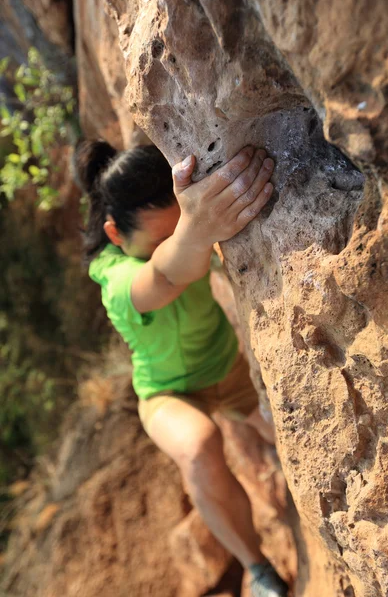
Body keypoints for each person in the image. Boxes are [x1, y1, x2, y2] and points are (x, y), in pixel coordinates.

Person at [74, 139, 289, 597]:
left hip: (227, 370)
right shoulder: (112, 278)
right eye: (161, 241)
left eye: (179, 226)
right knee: (198, 447)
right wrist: (193, 229)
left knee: (291, 428)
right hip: (168, 394)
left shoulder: (175, 226)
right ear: (115, 235)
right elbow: (166, 276)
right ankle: (258, 568)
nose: (177, 242)